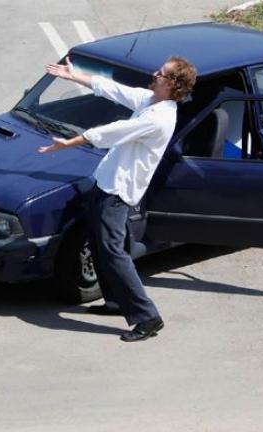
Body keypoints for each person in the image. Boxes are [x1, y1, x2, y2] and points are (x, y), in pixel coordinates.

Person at [39, 56, 197, 342]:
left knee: (112, 252)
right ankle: (114, 302)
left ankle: (147, 317)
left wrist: (71, 142)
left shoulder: (158, 118)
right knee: (105, 245)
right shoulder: (151, 100)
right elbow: (114, 89)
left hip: (117, 192)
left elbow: (113, 132)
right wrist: (73, 76)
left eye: (160, 73)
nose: (154, 73)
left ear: (172, 84)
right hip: (107, 183)